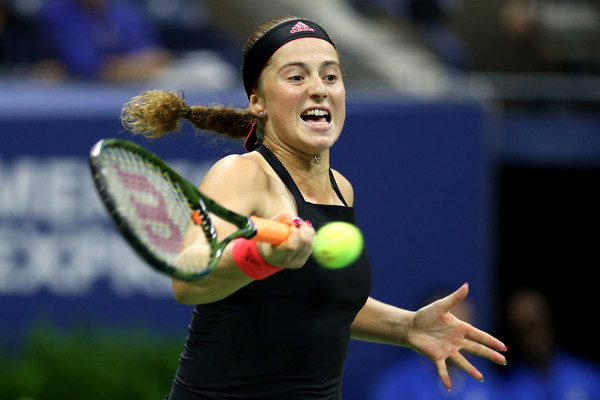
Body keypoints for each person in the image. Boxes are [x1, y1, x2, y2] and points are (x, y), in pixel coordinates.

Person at [120, 16, 507, 399]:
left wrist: (406, 327)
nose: (319, 89)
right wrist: (260, 254)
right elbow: (188, 277)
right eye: (296, 77)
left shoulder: (341, 189)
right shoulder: (242, 173)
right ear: (258, 101)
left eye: (330, 76)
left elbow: (316, 303)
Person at [370, 291, 502, 400]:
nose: (457, 338)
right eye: (448, 327)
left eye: (466, 328)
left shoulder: (485, 379)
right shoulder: (398, 381)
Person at [502, 287, 600, 400]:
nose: (535, 338)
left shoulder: (585, 374)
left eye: (537, 326)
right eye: (525, 331)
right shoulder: (509, 388)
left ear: (550, 323)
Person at [37, 0, 170, 82]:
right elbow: (81, 61)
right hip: (81, 91)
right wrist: (126, 68)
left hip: (129, 88)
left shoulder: (125, 10)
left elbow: (151, 54)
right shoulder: (57, 12)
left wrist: (126, 68)